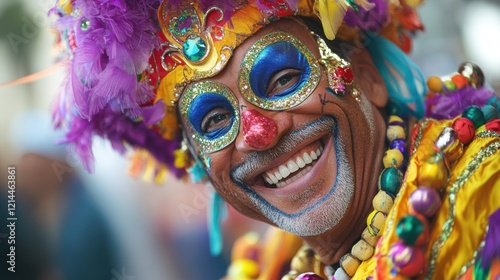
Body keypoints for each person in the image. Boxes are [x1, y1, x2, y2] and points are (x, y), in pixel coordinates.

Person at [50, 0, 500, 279]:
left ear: (366, 75)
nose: (258, 133)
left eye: (283, 79)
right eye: (213, 121)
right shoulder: (268, 266)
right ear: (201, 168)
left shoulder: (486, 193)